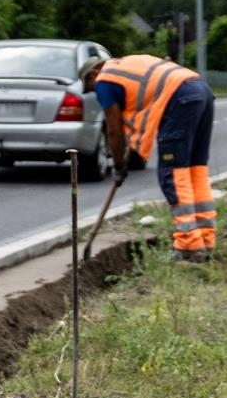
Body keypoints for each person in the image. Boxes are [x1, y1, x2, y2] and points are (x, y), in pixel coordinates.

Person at [83, 53, 217, 262]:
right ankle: (205, 239)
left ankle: (189, 246)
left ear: (93, 74)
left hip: (180, 98)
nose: (94, 92)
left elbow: (114, 132)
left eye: (90, 86)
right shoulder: (126, 66)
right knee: (195, 170)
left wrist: (118, 165)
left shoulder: (104, 80)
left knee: (173, 173)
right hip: (200, 89)